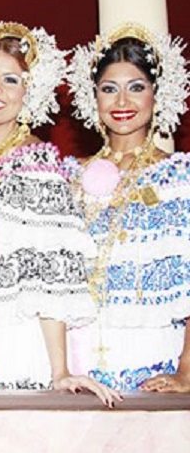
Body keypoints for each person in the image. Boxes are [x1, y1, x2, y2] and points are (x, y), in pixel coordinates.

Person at [0, 17, 119, 405]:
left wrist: (59, 371)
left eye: (11, 80)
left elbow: (53, 275)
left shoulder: (38, 165)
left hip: (13, 342)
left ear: (30, 92)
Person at [66, 23, 190, 392]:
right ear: (94, 98)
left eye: (136, 87)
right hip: (78, 365)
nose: (122, 102)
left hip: (152, 360)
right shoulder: (68, 176)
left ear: (158, 95)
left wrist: (187, 373)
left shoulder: (179, 177)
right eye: (109, 89)